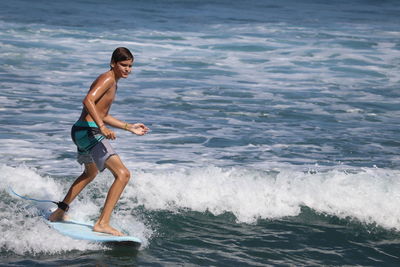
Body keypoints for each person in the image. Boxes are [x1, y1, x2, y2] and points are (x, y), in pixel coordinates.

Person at [49, 47, 149, 236]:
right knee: (123, 174)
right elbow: (88, 100)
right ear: (113, 63)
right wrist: (101, 128)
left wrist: (129, 127)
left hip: (80, 131)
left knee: (90, 173)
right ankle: (102, 223)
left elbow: (103, 114)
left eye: (130, 66)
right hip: (89, 132)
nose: (127, 69)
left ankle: (59, 212)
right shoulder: (108, 78)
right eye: (124, 65)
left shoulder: (113, 82)